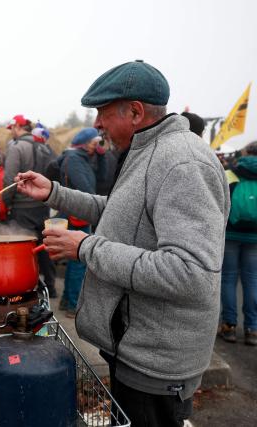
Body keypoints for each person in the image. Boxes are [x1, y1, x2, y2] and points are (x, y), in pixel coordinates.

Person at [16, 60, 229, 426]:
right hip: (133, 347)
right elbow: (119, 212)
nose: (97, 123)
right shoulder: (147, 150)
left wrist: (85, 247)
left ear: (135, 111)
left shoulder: (184, 163)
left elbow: (190, 272)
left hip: (156, 365)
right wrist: (54, 192)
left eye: (102, 112)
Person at [3, 114, 58, 297]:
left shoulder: (17, 147)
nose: (10, 133)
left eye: (11, 129)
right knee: (44, 246)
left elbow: (10, 179)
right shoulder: (45, 146)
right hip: (43, 205)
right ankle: (50, 287)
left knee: (24, 249)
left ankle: (25, 289)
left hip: (21, 208)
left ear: (18, 127)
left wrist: (5, 202)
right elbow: (55, 172)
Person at [56, 127, 105, 317]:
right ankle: (73, 304)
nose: (96, 147)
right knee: (78, 262)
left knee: (74, 261)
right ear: (84, 144)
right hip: (77, 215)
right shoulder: (74, 160)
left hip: (78, 214)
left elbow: (102, 177)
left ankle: (67, 300)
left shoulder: (84, 158)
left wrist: (100, 156)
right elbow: (85, 189)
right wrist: (95, 205)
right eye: (94, 144)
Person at [218, 141, 257, 345]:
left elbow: (221, 200)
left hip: (231, 233)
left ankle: (229, 326)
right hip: (255, 237)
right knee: (251, 280)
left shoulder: (231, 172)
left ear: (245, 152)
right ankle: (252, 329)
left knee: (229, 279)